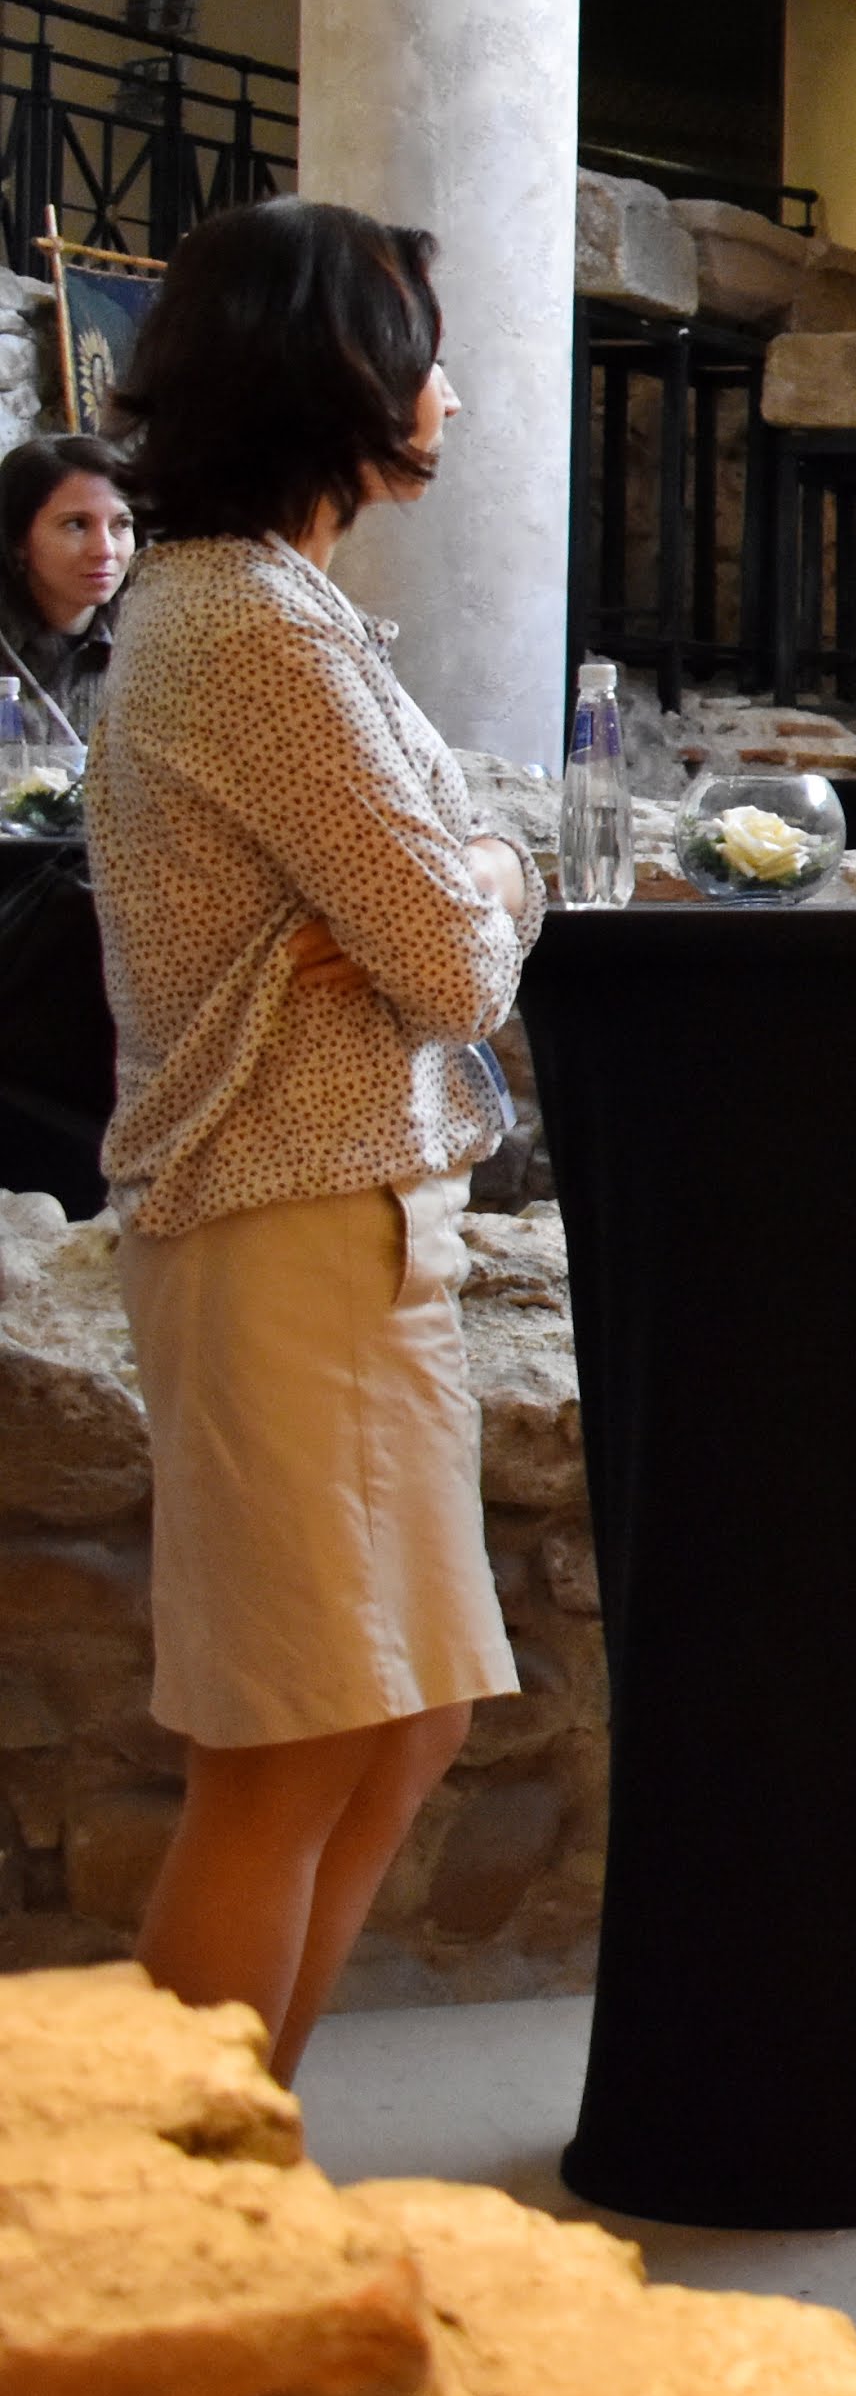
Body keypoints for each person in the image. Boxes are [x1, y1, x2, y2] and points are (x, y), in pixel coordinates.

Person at [86, 198, 532, 2082]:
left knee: (402, 1723)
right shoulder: (250, 624)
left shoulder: (266, 605)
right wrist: (487, 879)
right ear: (330, 372)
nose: (449, 391)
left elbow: (431, 929)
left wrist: (463, 880)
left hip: (347, 1223)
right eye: (419, 348)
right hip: (281, 1229)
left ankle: (244, 2140)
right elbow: (457, 961)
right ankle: (173, 2203)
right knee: (282, 1755)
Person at [1, 430, 134, 737]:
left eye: (121, 524)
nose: (105, 550)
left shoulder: (147, 642)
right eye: (76, 524)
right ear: (18, 540)